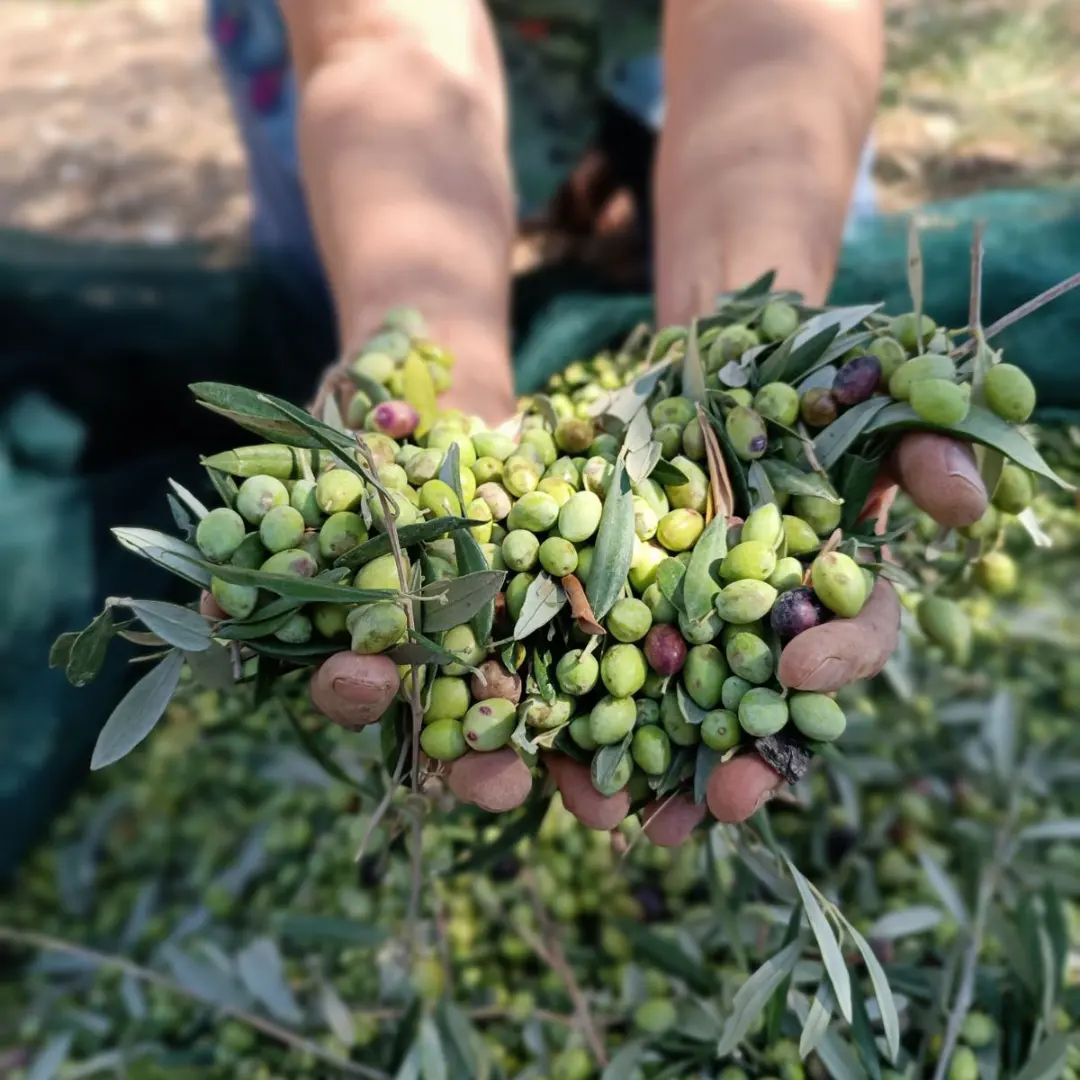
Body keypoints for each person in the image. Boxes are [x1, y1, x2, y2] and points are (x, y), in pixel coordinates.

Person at [206, 0, 990, 838]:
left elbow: (774, 31)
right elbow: (382, 40)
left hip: (706, 60)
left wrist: (754, 345)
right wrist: (419, 346)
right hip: (390, 111)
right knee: (319, 265)